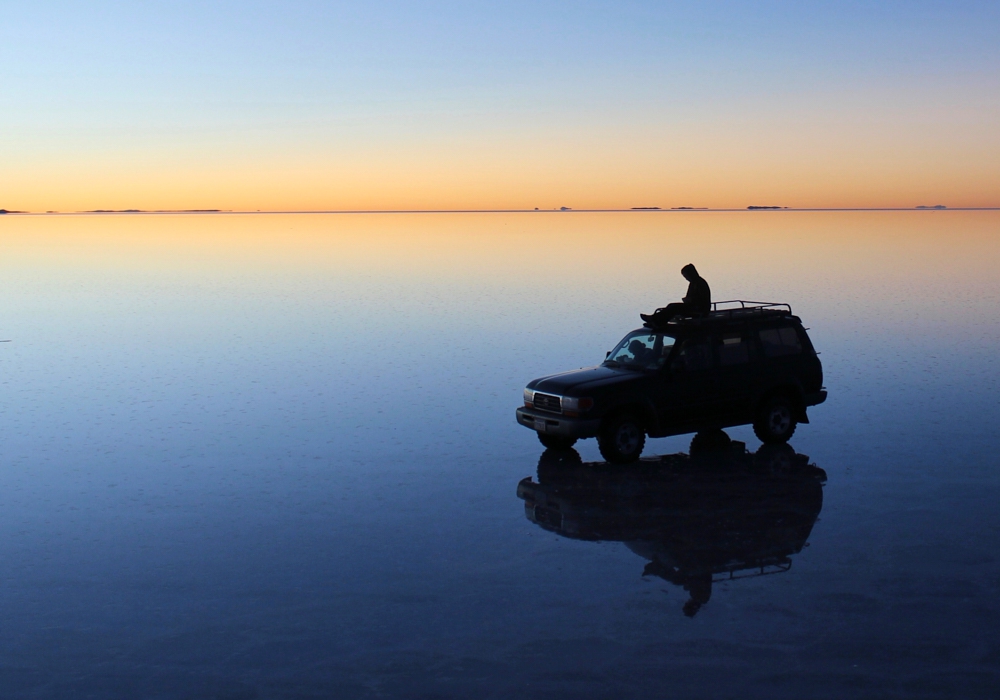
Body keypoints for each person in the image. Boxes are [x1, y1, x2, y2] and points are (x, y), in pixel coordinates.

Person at [641, 264, 711, 327]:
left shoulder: (700, 283)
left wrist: (690, 300)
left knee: (674, 308)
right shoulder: (693, 283)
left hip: (699, 309)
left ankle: (655, 319)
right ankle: (657, 321)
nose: (686, 278)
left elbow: (702, 300)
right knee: (671, 306)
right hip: (694, 306)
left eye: (686, 276)